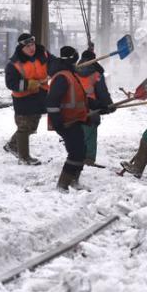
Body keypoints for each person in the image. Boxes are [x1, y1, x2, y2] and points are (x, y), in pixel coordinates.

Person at [46, 46, 89, 192]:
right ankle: (62, 184)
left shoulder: (70, 74)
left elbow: (79, 96)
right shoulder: (62, 77)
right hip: (66, 122)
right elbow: (52, 102)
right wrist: (58, 123)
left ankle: (73, 181)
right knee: (75, 152)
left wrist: (101, 106)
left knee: (81, 151)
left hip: (75, 119)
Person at [3, 33, 50, 165]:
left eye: (32, 45)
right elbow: (10, 83)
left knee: (31, 126)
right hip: (23, 100)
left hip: (40, 96)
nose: (31, 48)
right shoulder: (14, 64)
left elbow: (55, 64)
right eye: (28, 46)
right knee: (24, 127)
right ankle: (24, 158)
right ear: (21, 48)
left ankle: (12, 145)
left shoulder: (44, 55)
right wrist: (28, 84)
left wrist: (66, 65)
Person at [76, 49, 114, 167]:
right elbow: (102, 91)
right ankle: (88, 159)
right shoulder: (96, 73)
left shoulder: (75, 70)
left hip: (74, 107)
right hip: (91, 108)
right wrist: (108, 105)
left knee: (79, 132)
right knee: (91, 133)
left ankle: (77, 157)